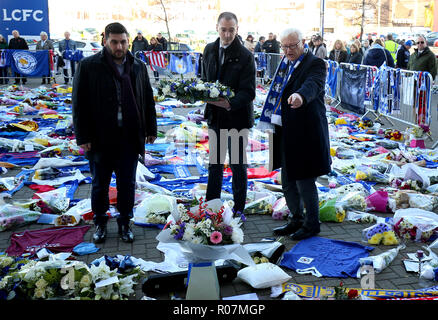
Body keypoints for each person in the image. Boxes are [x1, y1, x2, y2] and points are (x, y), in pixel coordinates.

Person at [72, 22, 157, 244]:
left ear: (128, 41)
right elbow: (79, 104)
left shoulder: (138, 66)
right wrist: (83, 137)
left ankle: (125, 223)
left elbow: (147, 99)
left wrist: (151, 129)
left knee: (127, 184)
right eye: (114, 42)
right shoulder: (89, 66)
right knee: (100, 184)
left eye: (123, 42)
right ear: (105, 41)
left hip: (129, 137)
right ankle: (100, 223)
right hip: (100, 138)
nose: (119, 47)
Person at [271, 27, 331, 240]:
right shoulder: (284, 64)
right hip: (286, 130)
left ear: (303, 42)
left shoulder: (314, 63)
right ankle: (296, 219)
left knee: (304, 181)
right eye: (284, 46)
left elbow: (312, 84)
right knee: (287, 179)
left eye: (292, 46)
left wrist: (300, 96)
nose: (288, 50)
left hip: (307, 132)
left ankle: (311, 225)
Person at [201, 12, 256, 215]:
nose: (227, 34)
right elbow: (204, 79)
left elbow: (249, 91)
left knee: (237, 166)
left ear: (237, 29)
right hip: (215, 118)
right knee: (214, 165)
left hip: (237, 119)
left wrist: (230, 104)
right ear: (217, 28)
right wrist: (196, 93)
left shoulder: (245, 55)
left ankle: (239, 209)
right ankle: (211, 208)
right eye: (223, 29)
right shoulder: (209, 50)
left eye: (231, 30)